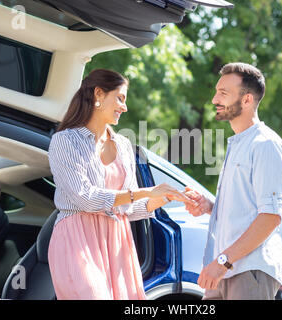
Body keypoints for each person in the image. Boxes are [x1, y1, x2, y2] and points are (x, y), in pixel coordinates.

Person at [47, 68, 192, 300]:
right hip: (77, 239)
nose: (124, 107)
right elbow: (84, 198)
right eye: (120, 98)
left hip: (117, 242)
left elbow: (128, 208)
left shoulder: (124, 145)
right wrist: (144, 192)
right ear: (98, 94)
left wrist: (163, 197)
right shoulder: (64, 141)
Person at [184, 62, 282, 300]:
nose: (214, 100)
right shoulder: (238, 143)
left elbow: (270, 217)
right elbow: (246, 211)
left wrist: (223, 261)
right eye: (216, 92)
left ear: (247, 100)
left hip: (249, 271)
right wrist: (210, 207)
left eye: (223, 93)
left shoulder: (265, 145)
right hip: (225, 272)